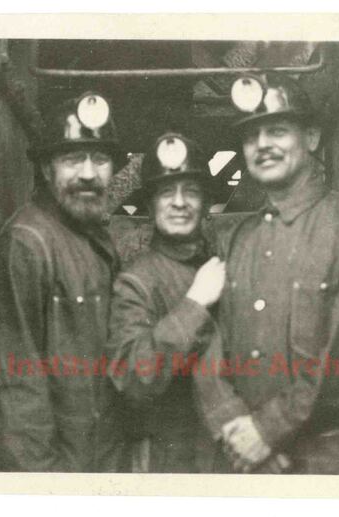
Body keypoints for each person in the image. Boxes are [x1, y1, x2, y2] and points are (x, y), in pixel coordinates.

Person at [197, 74, 339, 474]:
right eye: (251, 136)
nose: (262, 144)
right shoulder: (235, 239)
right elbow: (209, 343)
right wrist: (235, 426)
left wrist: (267, 431)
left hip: (327, 465)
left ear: (311, 138)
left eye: (277, 131)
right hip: (245, 463)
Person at [0, 92, 128, 472]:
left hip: (100, 462)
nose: (88, 173)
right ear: (48, 169)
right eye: (73, 159)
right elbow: (17, 386)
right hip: (57, 474)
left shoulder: (96, 238)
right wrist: (47, 484)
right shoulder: (26, 244)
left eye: (100, 159)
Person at [105, 132, 227, 472]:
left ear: (205, 203)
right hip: (167, 459)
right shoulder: (135, 283)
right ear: (149, 206)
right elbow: (132, 379)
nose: (179, 202)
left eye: (191, 191)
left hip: (227, 454)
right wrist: (194, 304)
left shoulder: (221, 265)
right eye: (166, 192)